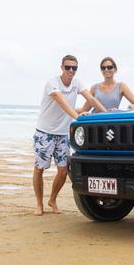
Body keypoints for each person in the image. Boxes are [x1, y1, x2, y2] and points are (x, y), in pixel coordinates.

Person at [32, 55, 106, 216]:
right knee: (39, 169)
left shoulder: (77, 83)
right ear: (62, 68)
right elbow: (61, 101)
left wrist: (107, 115)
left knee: (63, 170)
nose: (71, 71)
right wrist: (77, 116)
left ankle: (52, 199)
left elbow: (91, 99)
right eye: (68, 67)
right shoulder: (53, 83)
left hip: (63, 135)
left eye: (74, 68)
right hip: (45, 132)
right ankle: (39, 204)